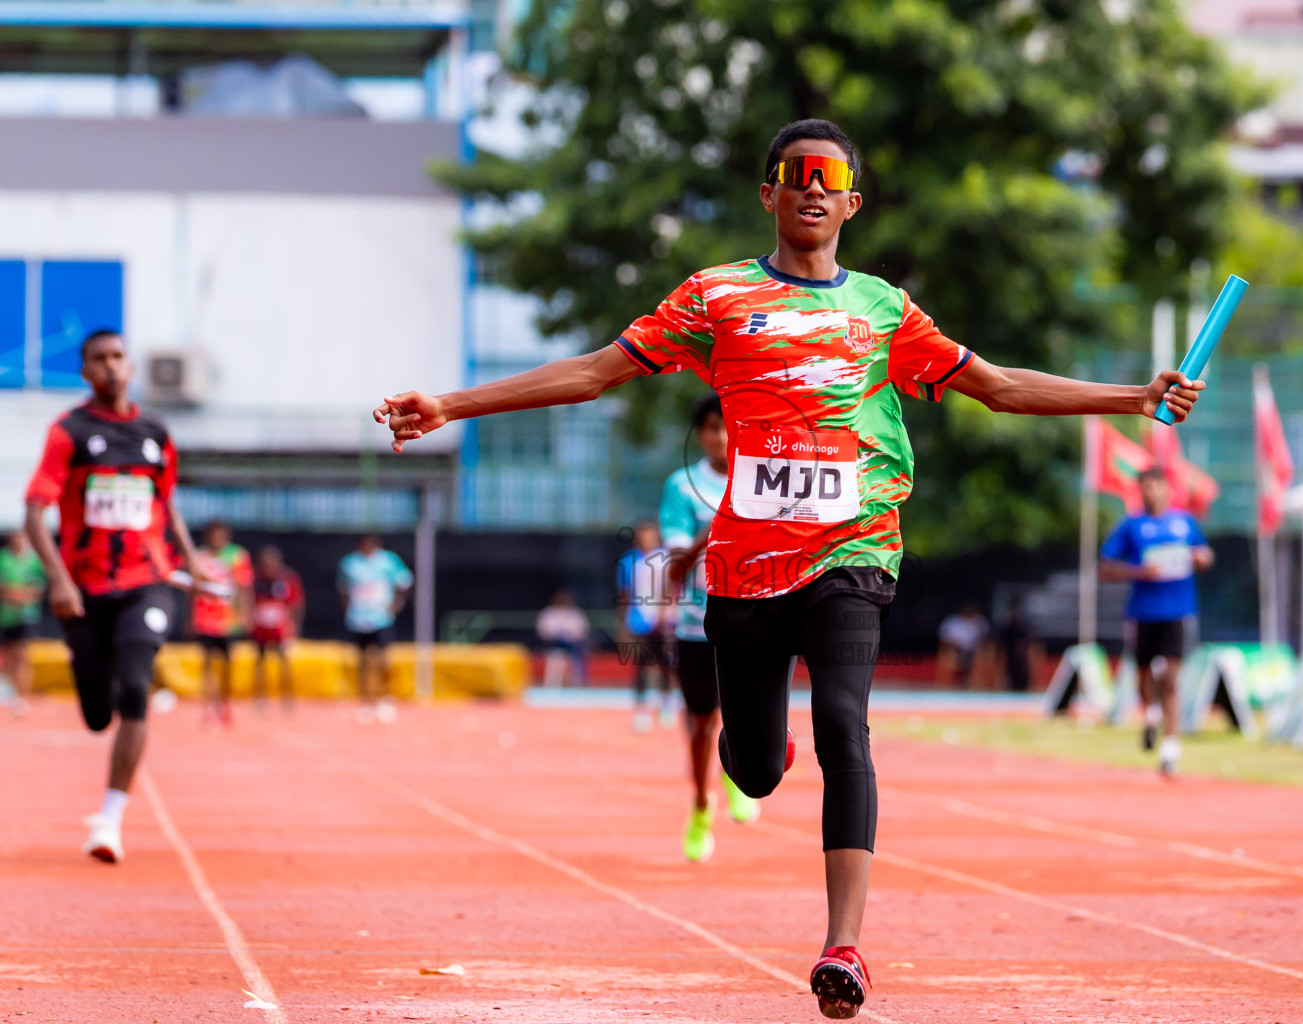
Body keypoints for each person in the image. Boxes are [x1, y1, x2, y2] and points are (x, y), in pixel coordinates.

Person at [374, 118, 1202, 1019]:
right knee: (756, 772)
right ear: (768, 193)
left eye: (829, 177)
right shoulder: (716, 298)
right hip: (743, 575)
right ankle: (760, 753)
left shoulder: (884, 310)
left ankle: (845, 946)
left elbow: (999, 386)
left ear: (851, 200)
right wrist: (450, 405)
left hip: (854, 554)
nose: (811, 189)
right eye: (793, 175)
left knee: (848, 728)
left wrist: (1136, 398)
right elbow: (591, 374)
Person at [24, 328, 204, 863]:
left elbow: (166, 504)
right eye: (99, 359)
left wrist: (191, 563)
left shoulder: (155, 431)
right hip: (84, 589)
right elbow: (35, 511)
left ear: (130, 366)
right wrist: (57, 577)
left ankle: (109, 818)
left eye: (118, 357)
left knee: (134, 690)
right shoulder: (69, 431)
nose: (110, 366)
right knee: (98, 714)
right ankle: (96, 686)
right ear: (84, 370)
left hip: (146, 581)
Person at [659, 392, 759, 862]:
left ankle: (739, 774)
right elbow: (676, 566)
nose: (721, 437)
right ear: (700, 434)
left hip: (753, 617)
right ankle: (701, 804)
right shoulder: (682, 487)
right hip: (695, 624)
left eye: (729, 427)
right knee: (701, 723)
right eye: (712, 428)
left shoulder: (761, 478)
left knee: (747, 713)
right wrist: (721, 521)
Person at [1099, 467, 1215, 777]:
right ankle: (1150, 713)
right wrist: (1140, 572)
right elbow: (1105, 567)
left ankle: (1170, 749)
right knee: (1143, 675)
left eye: (1157, 487)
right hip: (1142, 612)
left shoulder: (1183, 522)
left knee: (1172, 678)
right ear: (1140, 491)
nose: (1153, 493)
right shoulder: (1131, 526)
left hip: (1178, 611)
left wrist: (1201, 559)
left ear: (1167, 489)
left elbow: (1205, 554)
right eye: (1146, 488)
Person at [338, 534, 412, 724]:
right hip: (358, 620)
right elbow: (343, 589)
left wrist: (396, 605)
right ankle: (365, 703)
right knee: (362, 663)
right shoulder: (349, 563)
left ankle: (385, 699)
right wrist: (347, 611)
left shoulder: (388, 560)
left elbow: (405, 582)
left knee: (383, 661)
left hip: (381, 619)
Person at [190, 521, 253, 727]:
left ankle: (224, 705)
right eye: (213, 535)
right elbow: (193, 589)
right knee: (207, 664)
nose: (217, 538)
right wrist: (190, 618)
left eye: (221, 535)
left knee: (227, 666)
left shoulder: (237, 555)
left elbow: (243, 587)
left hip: (228, 620)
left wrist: (245, 613)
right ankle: (208, 707)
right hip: (205, 619)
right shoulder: (199, 556)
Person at [616, 520, 675, 732]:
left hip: (663, 621)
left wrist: (664, 614)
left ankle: (666, 705)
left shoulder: (665, 559)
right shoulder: (628, 561)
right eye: (644, 536)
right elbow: (624, 594)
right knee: (640, 666)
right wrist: (623, 624)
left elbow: (672, 590)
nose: (647, 540)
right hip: (638, 620)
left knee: (666, 664)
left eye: (651, 536)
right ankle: (641, 709)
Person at [251, 545, 305, 713]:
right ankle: (260, 698)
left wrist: (294, 628)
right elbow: (249, 600)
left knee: (284, 664)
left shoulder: (288, 578)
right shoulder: (255, 578)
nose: (268, 568)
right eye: (265, 564)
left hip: (281, 629)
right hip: (261, 629)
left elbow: (296, 604)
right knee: (260, 664)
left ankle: (287, 698)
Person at [0, 530, 46, 715]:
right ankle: (10, 692)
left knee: (21, 655)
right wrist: (14, 595)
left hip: (26, 615)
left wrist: (24, 596)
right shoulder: (4, 559)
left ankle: (21, 695)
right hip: (6, 615)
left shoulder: (33, 561)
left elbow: (39, 586)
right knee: (8, 655)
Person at [535, 589, 590, 687]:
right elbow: (543, 633)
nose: (562, 600)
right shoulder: (548, 613)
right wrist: (557, 636)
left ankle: (577, 685)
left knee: (579, 656)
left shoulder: (576, 614)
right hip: (555, 645)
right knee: (556, 657)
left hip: (573, 646)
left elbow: (582, 632)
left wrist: (569, 636)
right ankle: (552, 685)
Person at [937, 602, 990, 687]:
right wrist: (956, 646)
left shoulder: (980, 622)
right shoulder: (952, 621)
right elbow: (944, 640)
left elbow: (984, 639)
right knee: (953, 655)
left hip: (974, 651)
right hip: (956, 651)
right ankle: (950, 684)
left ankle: (974, 684)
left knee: (982, 655)